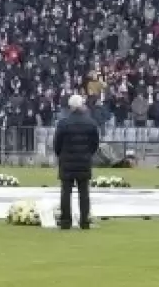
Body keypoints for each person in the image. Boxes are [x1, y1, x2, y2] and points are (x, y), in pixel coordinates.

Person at [53, 94, 100, 229]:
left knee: (65, 192)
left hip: (67, 161)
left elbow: (57, 144)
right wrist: (87, 154)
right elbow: (95, 144)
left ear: (70, 107)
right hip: (84, 161)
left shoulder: (63, 123)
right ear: (81, 105)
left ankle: (66, 221)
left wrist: (61, 155)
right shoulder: (90, 123)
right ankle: (84, 221)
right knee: (84, 192)